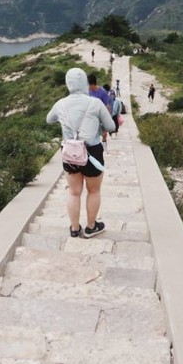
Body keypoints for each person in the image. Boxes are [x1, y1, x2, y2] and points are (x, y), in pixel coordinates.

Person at [47, 67, 116, 238]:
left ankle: (74, 228)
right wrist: (98, 126)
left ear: (68, 84)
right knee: (93, 191)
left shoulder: (60, 104)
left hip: (70, 152)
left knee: (73, 191)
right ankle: (91, 227)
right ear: (85, 82)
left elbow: (49, 120)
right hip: (92, 152)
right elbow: (111, 127)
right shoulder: (95, 103)